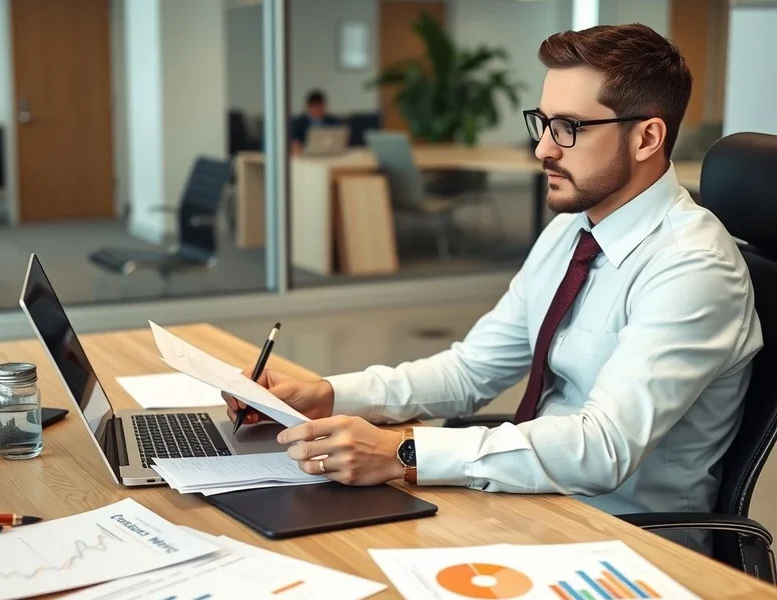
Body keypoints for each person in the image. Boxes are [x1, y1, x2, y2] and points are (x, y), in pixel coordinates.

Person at [225, 24, 762, 545]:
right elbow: (471, 369)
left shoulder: (692, 267)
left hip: (627, 538)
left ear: (647, 137)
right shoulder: (571, 232)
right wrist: (330, 394)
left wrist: (404, 453)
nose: (543, 150)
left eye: (569, 128)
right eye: (542, 123)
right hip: (534, 500)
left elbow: (602, 449)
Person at [290, 89, 341, 154]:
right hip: (305, 156)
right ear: (308, 107)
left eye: (320, 106)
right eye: (314, 107)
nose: (317, 109)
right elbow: (294, 143)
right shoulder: (298, 123)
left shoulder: (334, 121)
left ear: (325, 106)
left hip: (329, 154)